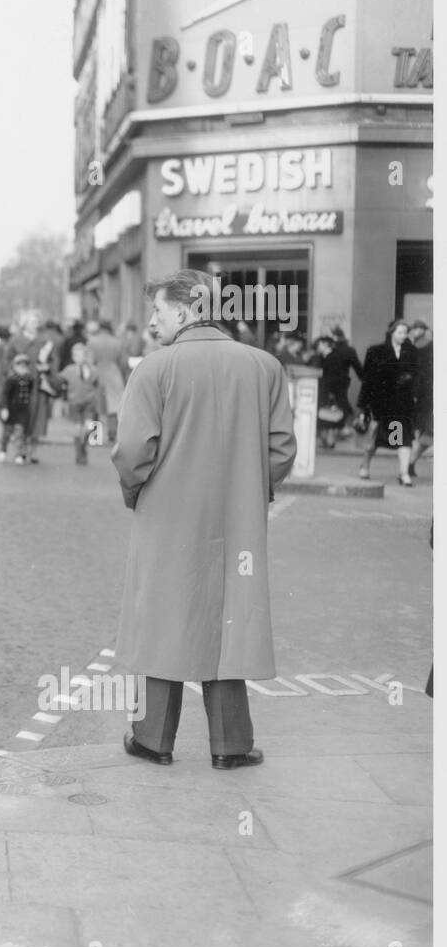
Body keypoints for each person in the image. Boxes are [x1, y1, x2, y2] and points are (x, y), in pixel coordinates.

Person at [112, 269, 296, 770]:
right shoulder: (264, 366)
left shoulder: (154, 369)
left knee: (165, 619)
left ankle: (153, 738)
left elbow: (132, 451)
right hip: (238, 516)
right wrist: (250, 489)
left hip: (167, 514)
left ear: (188, 308)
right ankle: (231, 744)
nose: (151, 321)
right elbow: (280, 450)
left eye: (158, 310)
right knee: (229, 620)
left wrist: (137, 493)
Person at [357, 319, 419, 487]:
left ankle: (404, 474)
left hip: (401, 406)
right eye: (400, 332)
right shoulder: (376, 351)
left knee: (403, 439)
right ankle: (365, 466)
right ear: (392, 333)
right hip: (380, 404)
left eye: (405, 333)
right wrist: (363, 405)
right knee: (375, 439)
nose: (403, 336)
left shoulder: (411, 352)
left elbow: (417, 376)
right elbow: (367, 380)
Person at [59, 340, 106, 465]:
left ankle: (83, 446)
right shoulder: (68, 370)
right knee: (77, 429)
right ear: (73, 357)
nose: (78, 358)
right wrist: (64, 402)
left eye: (81, 355)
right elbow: (62, 386)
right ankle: (79, 453)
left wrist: (99, 405)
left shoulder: (94, 371)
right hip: (74, 403)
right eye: (75, 355)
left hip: (89, 404)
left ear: (85, 356)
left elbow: (98, 387)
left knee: (89, 427)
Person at [85, 318, 126, 443]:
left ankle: (95, 437)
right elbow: (123, 363)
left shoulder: (92, 341)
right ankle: (112, 434)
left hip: (97, 374)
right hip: (114, 374)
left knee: (96, 407)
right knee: (113, 407)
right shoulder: (117, 342)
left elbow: (89, 361)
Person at [0, 351, 37, 464]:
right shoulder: (11, 380)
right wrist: (4, 408)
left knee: (20, 433)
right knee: (7, 432)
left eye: (25, 365)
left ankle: (18, 454)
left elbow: (30, 390)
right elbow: (5, 395)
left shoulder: (29, 379)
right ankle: (3, 449)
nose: (22, 368)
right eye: (20, 365)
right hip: (11, 409)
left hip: (23, 410)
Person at [407, 320, 432, 478]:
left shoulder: (422, 347)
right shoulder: (416, 346)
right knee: (425, 434)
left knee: (423, 434)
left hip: (423, 396)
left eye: (417, 328)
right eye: (413, 328)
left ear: (423, 330)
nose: (414, 331)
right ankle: (409, 463)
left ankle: (409, 463)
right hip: (423, 396)